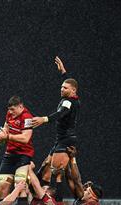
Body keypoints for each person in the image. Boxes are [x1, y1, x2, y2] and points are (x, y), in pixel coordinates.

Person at [31, 57, 80, 187]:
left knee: (57, 173)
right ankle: (43, 199)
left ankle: (57, 203)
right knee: (45, 169)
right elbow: (70, 83)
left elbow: (61, 113)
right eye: (61, 87)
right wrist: (63, 72)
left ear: (73, 91)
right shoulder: (72, 97)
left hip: (66, 140)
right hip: (61, 139)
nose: (61, 89)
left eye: (65, 88)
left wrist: (44, 119)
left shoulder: (68, 102)